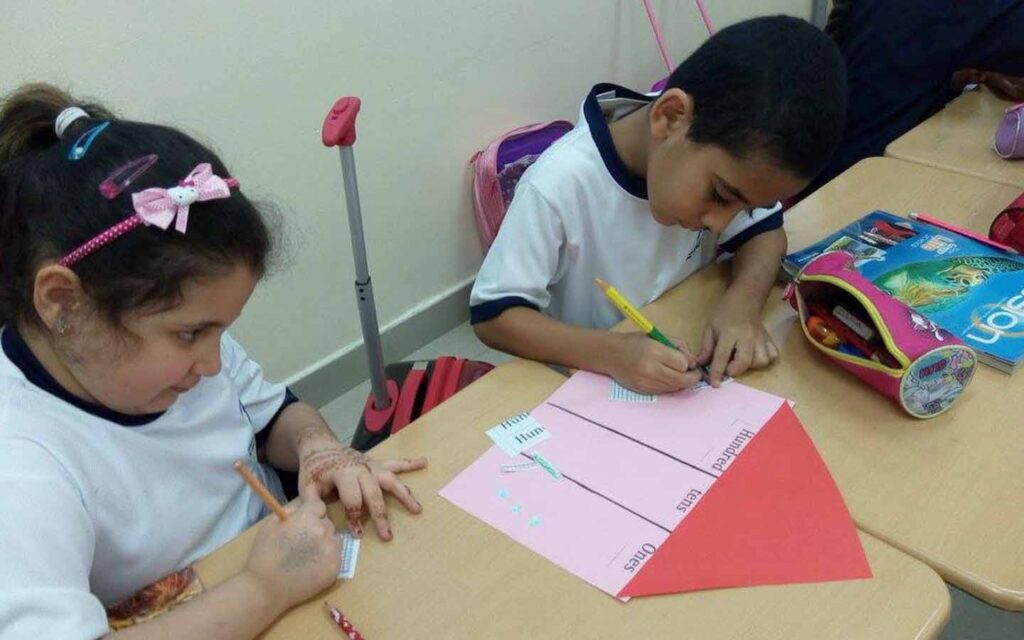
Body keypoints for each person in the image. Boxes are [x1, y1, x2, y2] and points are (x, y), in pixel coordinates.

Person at [0, 84, 427, 639]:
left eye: (221, 330)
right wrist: (264, 589)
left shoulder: (186, 352)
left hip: (277, 571)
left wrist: (317, 447)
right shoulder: (22, 462)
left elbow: (275, 416)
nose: (213, 363)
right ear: (63, 303)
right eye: (190, 334)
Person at [470, 16, 847, 393]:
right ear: (669, 117)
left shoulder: (712, 148)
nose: (720, 224)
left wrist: (742, 305)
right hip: (582, 382)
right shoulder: (557, 184)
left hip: (672, 348)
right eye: (720, 195)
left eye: (743, 209)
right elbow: (494, 317)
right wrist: (611, 353)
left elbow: (766, 235)